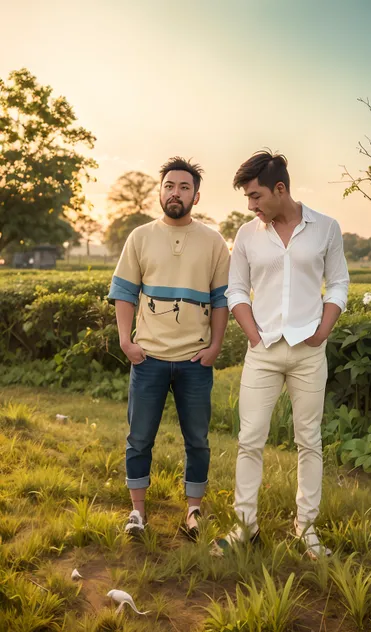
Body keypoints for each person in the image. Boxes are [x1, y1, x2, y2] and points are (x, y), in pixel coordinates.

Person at [221, 150, 349, 558]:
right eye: (247, 198)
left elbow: (340, 284)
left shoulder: (326, 228)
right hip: (263, 352)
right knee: (249, 440)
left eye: (255, 196)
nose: (251, 206)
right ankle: (245, 528)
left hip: (310, 353)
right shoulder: (246, 235)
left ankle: (307, 530)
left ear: (280, 189)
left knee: (309, 441)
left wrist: (323, 331)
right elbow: (236, 290)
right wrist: (254, 336)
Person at [108, 157, 229, 538]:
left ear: (196, 195)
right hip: (149, 358)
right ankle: (137, 514)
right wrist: (126, 341)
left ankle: (193, 512)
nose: (175, 193)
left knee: (198, 439)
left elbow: (222, 299)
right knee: (139, 437)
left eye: (184, 187)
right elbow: (125, 293)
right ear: (160, 191)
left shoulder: (213, 241)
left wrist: (215, 347)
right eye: (169, 186)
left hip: (195, 359)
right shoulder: (140, 237)